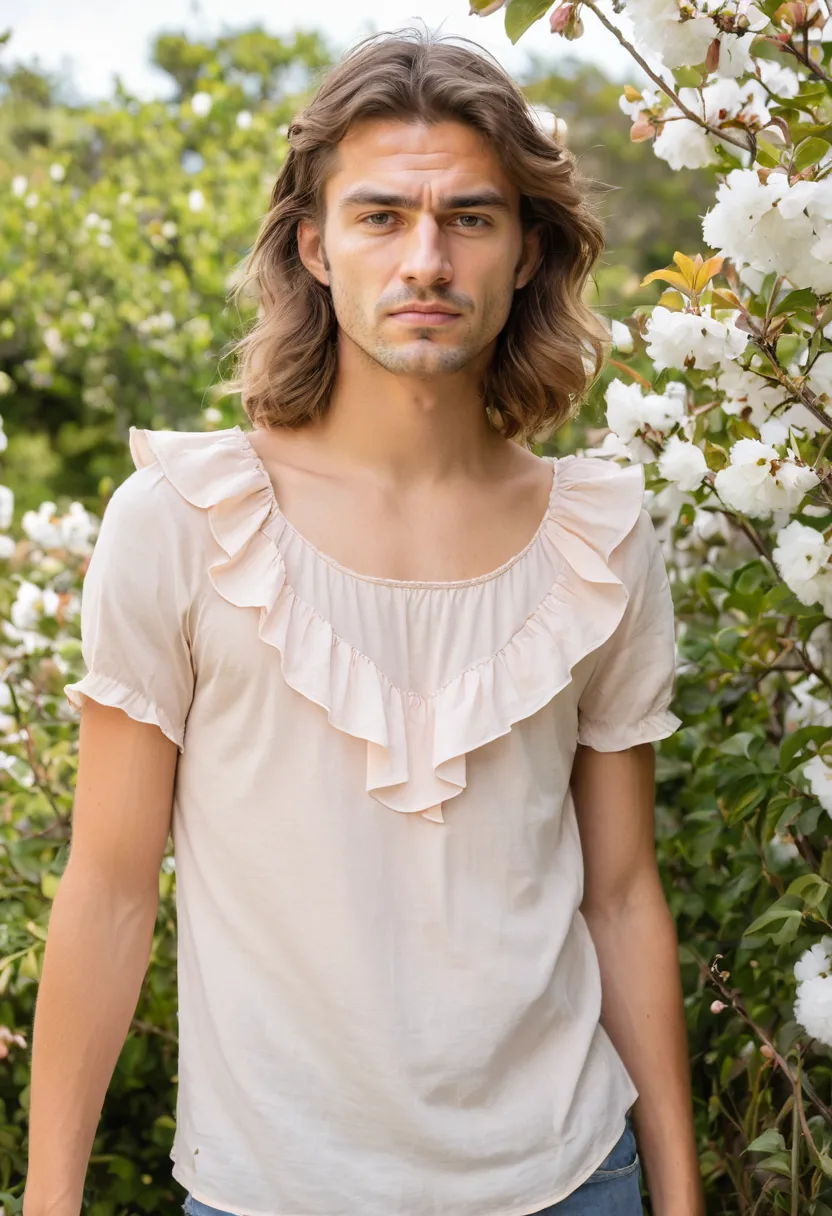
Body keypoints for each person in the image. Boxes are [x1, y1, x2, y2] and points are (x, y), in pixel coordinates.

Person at [23, 26, 705, 1216]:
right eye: (382, 216)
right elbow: (110, 889)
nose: (426, 260)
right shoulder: (183, 520)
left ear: (526, 251)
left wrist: (682, 1196)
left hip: (571, 1176)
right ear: (316, 247)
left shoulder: (596, 538)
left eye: (471, 219)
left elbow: (622, 891)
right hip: (267, 1190)